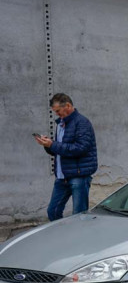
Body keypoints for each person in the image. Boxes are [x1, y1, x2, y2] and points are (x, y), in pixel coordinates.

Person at [35, 93, 97, 221]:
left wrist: (53, 144)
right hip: (62, 177)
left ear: (67, 106)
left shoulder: (82, 123)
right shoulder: (61, 124)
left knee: (80, 216)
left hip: (78, 177)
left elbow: (80, 149)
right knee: (53, 211)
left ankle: (80, 240)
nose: (56, 114)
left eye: (58, 111)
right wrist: (47, 145)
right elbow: (59, 151)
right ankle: (61, 239)